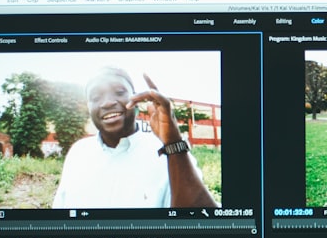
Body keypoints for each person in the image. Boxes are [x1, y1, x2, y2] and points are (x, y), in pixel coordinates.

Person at [52, 66, 218, 209]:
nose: (107, 103)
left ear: (138, 99)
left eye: (119, 92)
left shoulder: (170, 153)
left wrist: (173, 142)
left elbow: (203, 222)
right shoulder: (78, 153)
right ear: (88, 107)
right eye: (95, 98)